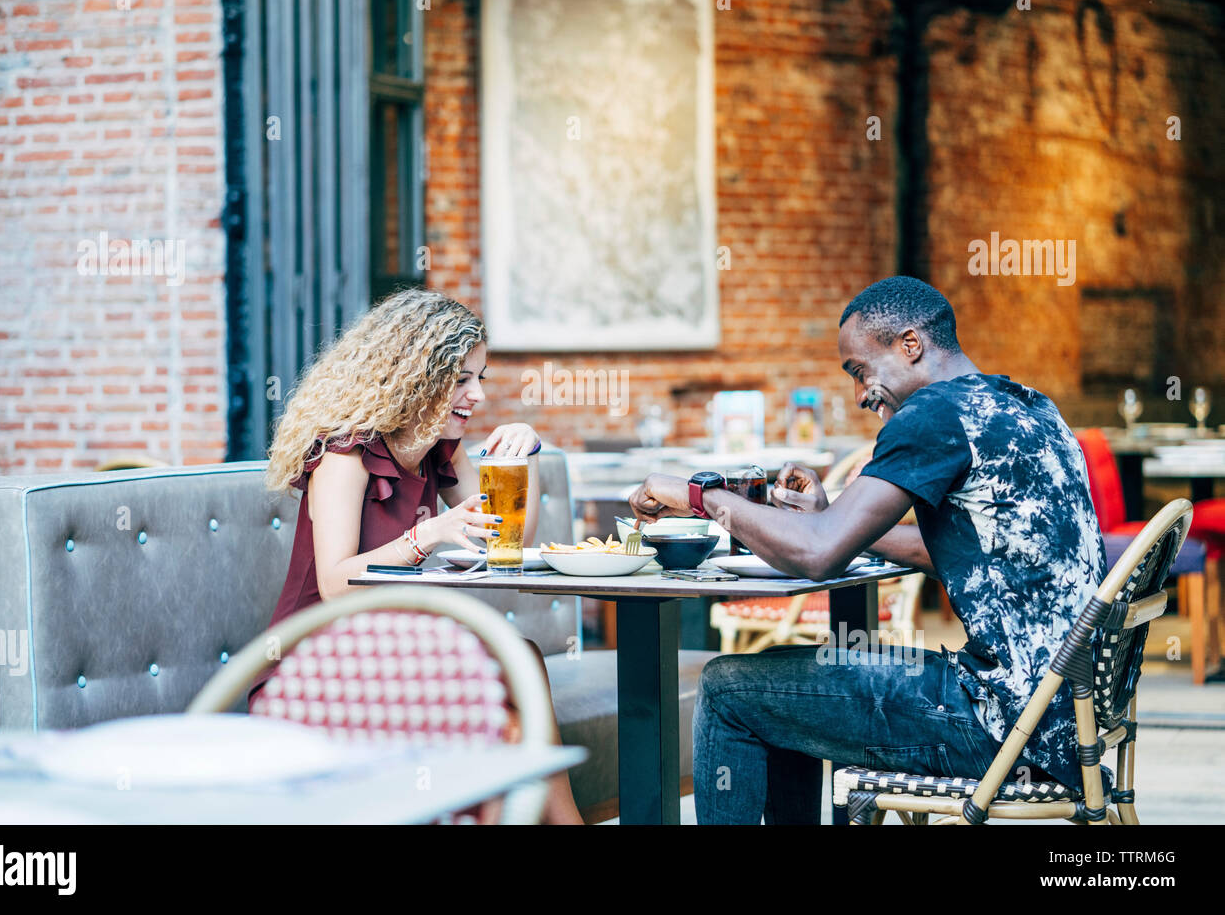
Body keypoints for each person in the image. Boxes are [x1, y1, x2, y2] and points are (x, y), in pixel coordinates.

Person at [628, 276, 1105, 824]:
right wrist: (837, 522)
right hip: (1072, 719)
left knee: (728, 689)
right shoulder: (1026, 407)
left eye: (859, 371)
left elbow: (816, 556)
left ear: (910, 345)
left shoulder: (933, 415)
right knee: (779, 687)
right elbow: (954, 548)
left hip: (1004, 722)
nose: (860, 395)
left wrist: (696, 494)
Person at [255, 289, 583, 824]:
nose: (476, 395)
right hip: (317, 663)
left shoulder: (437, 451)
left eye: (481, 378)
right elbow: (337, 583)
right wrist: (428, 536)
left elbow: (510, 542)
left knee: (521, 654)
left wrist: (527, 456)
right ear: (412, 374)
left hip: (395, 652)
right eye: (460, 379)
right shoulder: (345, 453)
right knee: (507, 731)